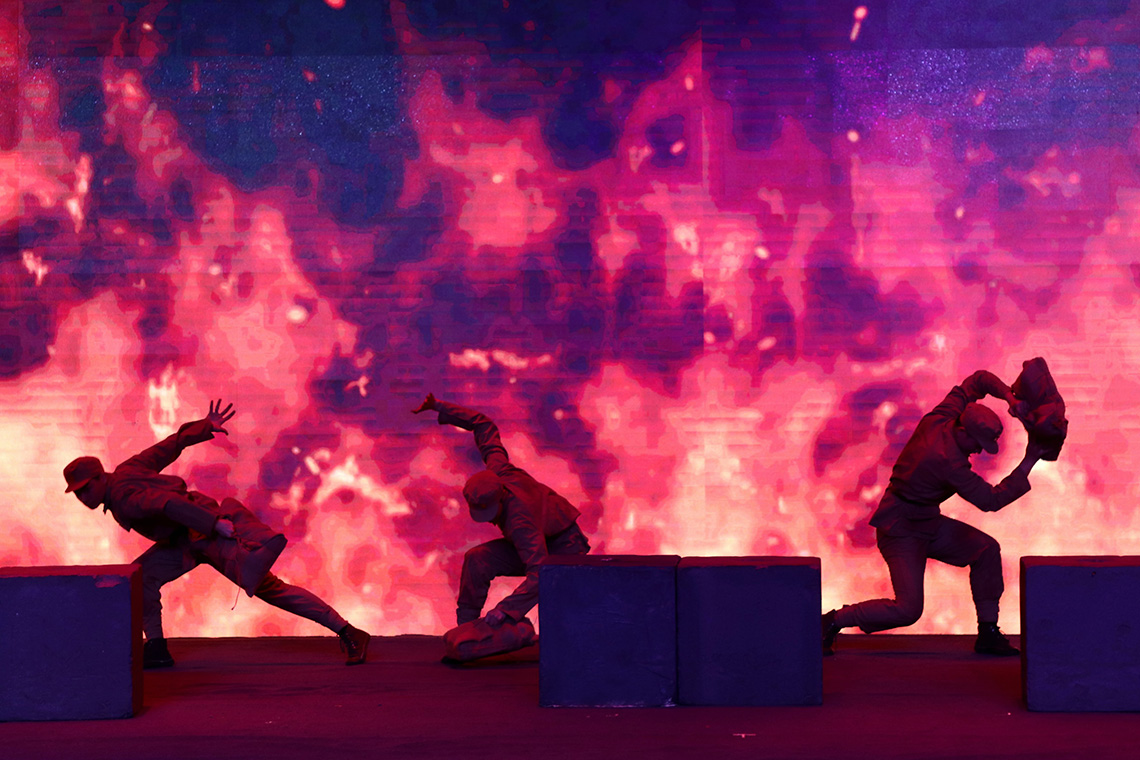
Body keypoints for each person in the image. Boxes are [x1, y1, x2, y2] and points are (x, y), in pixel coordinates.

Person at [64, 400, 370, 668]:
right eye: (77, 493)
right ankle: (156, 648)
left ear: (100, 478)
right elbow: (164, 449)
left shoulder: (124, 497)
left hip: (206, 535)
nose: (82, 497)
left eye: (85, 488)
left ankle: (348, 631)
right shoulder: (125, 472)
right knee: (142, 577)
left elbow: (170, 504)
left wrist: (213, 525)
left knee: (269, 588)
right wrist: (203, 426)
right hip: (184, 541)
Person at [822, 370, 1046, 656]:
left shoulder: (943, 417)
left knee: (986, 550)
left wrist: (1009, 397)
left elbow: (977, 380)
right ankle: (832, 621)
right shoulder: (947, 462)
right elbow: (991, 500)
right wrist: (1030, 459)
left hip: (926, 521)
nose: (978, 451)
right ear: (963, 432)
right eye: (978, 443)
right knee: (908, 609)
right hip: (900, 530)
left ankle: (988, 632)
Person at [412, 393, 590, 630]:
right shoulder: (499, 470)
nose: (490, 521)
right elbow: (483, 425)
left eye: (491, 513)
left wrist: (505, 609)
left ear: (501, 499)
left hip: (564, 549)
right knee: (477, 559)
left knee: (549, 589)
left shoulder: (520, 521)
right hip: (542, 541)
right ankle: (466, 628)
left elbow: (540, 570)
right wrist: (439, 406)